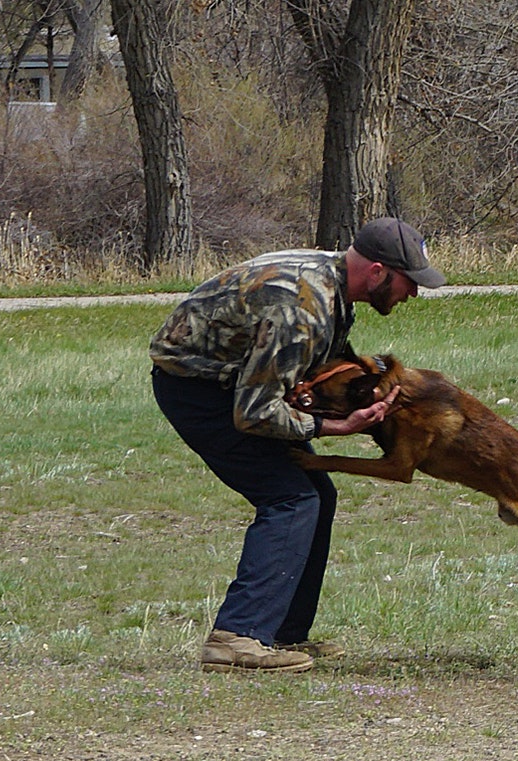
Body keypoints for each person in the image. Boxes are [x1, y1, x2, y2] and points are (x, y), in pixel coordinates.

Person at [150, 217, 446, 674]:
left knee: (317, 494)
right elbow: (254, 413)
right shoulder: (301, 307)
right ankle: (236, 638)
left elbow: (313, 370)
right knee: (291, 497)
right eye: (411, 282)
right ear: (378, 272)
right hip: (200, 391)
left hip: (232, 386)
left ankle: (283, 633)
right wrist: (335, 428)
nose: (413, 294)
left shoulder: (334, 290)